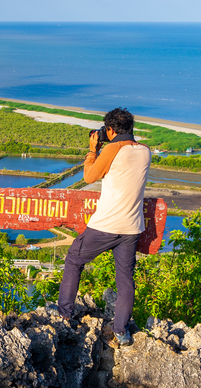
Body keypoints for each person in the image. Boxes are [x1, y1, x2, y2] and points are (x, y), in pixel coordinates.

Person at [57, 107, 151, 347]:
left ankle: (64, 314)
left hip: (106, 225)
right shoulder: (145, 151)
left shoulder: (112, 149)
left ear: (110, 130)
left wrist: (93, 150)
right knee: (125, 280)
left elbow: (89, 177)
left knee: (74, 260)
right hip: (132, 228)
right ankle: (121, 331)